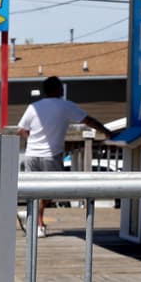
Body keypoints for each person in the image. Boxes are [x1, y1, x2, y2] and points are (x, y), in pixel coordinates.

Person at [17, 76, 112, 236]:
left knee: (35, 190)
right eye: (61, 87)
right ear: (56, 89)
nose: (62, 90)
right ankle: (35, 221)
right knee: (51, 191)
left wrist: (32, 140)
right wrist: (107, 132)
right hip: (50, 155)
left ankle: (35, 221)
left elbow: (21, 129)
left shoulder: (33, 107)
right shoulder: (65, 106)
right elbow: (88, 120)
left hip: (31, 154)